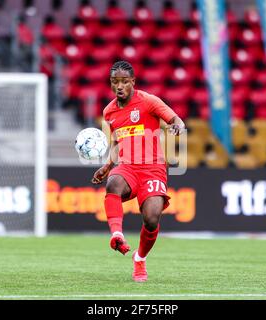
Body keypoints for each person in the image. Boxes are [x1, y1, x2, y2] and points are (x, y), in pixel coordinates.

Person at [91, 61, 185, 282]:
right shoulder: (109, 112)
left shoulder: (149, 101)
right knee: (113, 184)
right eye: (115, 82)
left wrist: (177, 127)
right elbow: (117, 142)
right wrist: (107, 166)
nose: (120, 86)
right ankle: (117, 234)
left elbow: (176, 120)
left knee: (152, 218)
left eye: (124, 81)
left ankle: (140, 258)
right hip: (128, 165)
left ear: (133, 81)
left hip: (153, 168)